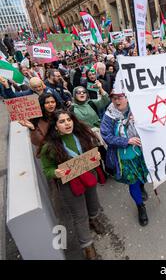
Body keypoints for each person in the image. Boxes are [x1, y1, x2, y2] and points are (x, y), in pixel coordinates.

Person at [39, 110, 106, 259]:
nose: (67, 123)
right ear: (55, 126)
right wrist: (56, 173)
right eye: (62, 122)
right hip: (70, 184)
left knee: (93, 202)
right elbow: (47, 170)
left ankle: (93, 219)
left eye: (69, 120)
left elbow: (92, 152)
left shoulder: (82, 135)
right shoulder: (48, 147)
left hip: (88, 176)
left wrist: (97, 155)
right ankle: (87, 246)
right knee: (79, 214)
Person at [100, 92, 150, 226]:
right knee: (132, 182)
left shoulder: (137, 108)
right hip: (124, 157)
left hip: (141, 152)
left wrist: (139, 121)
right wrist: (126, 140)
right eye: (114, 98)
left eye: (120, 97)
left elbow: (152, 124)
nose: (117, 101)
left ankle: (142, 186)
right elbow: (106, 136)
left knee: (144, 175)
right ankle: (140, 206)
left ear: (127, 97)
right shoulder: (109, 115)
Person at [0, 75, 65, 105]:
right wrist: (6, 85)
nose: (38, 89)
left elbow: (60, 102)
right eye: (35, 87)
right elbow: (13, 96)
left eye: (39, 86)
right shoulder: (29, 93)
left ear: (42, 84)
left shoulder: (50, 91)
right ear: (31, 87)